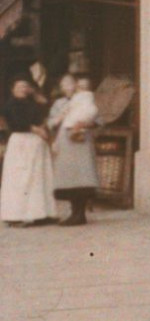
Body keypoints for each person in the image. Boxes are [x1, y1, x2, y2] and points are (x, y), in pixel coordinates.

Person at [0, 76, 57, 226]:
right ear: (13, 89)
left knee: (40, 177)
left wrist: (41, 101)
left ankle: (42, 214)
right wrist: (35, 129)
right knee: (20, 178)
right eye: (19, 86)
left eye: (25, 86)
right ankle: (14, 216)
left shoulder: (33, 102)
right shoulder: (9, 105)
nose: (23, 89)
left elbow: (44, 115)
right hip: (21, 142)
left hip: (37, 143)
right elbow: (17, 123)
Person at [48, 74, 100, 227]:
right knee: (69, 176)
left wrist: (84, 124)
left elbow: (98, 120)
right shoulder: (59, 103)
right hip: (65, 142)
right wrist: (58, 119)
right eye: (63, 84)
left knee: (82, 175)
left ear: (76, 84)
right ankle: (73, 212)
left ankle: (80, 213)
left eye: (70, 83)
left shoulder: (87, 99)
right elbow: (51, 122)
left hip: (81, 141)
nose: (67, 86)